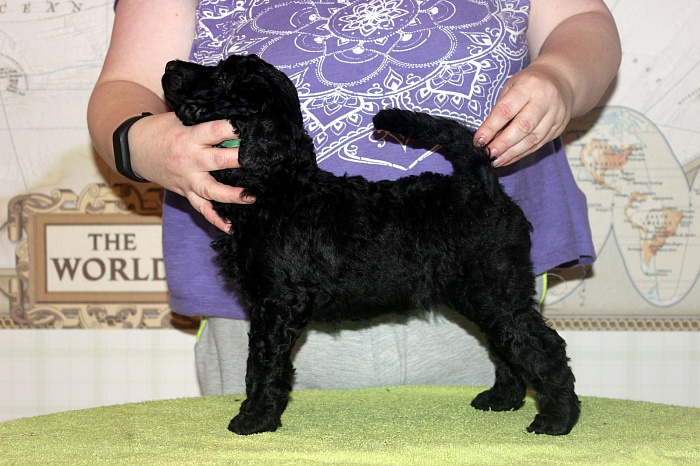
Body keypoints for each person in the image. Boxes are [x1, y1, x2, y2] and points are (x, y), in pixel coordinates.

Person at [88, 0, 621, 395]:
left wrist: (560, 75)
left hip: (458, 255)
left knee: (505, 365)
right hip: (250, 309)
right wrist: (142, 142)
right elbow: (125, 83)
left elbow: (582, 20)